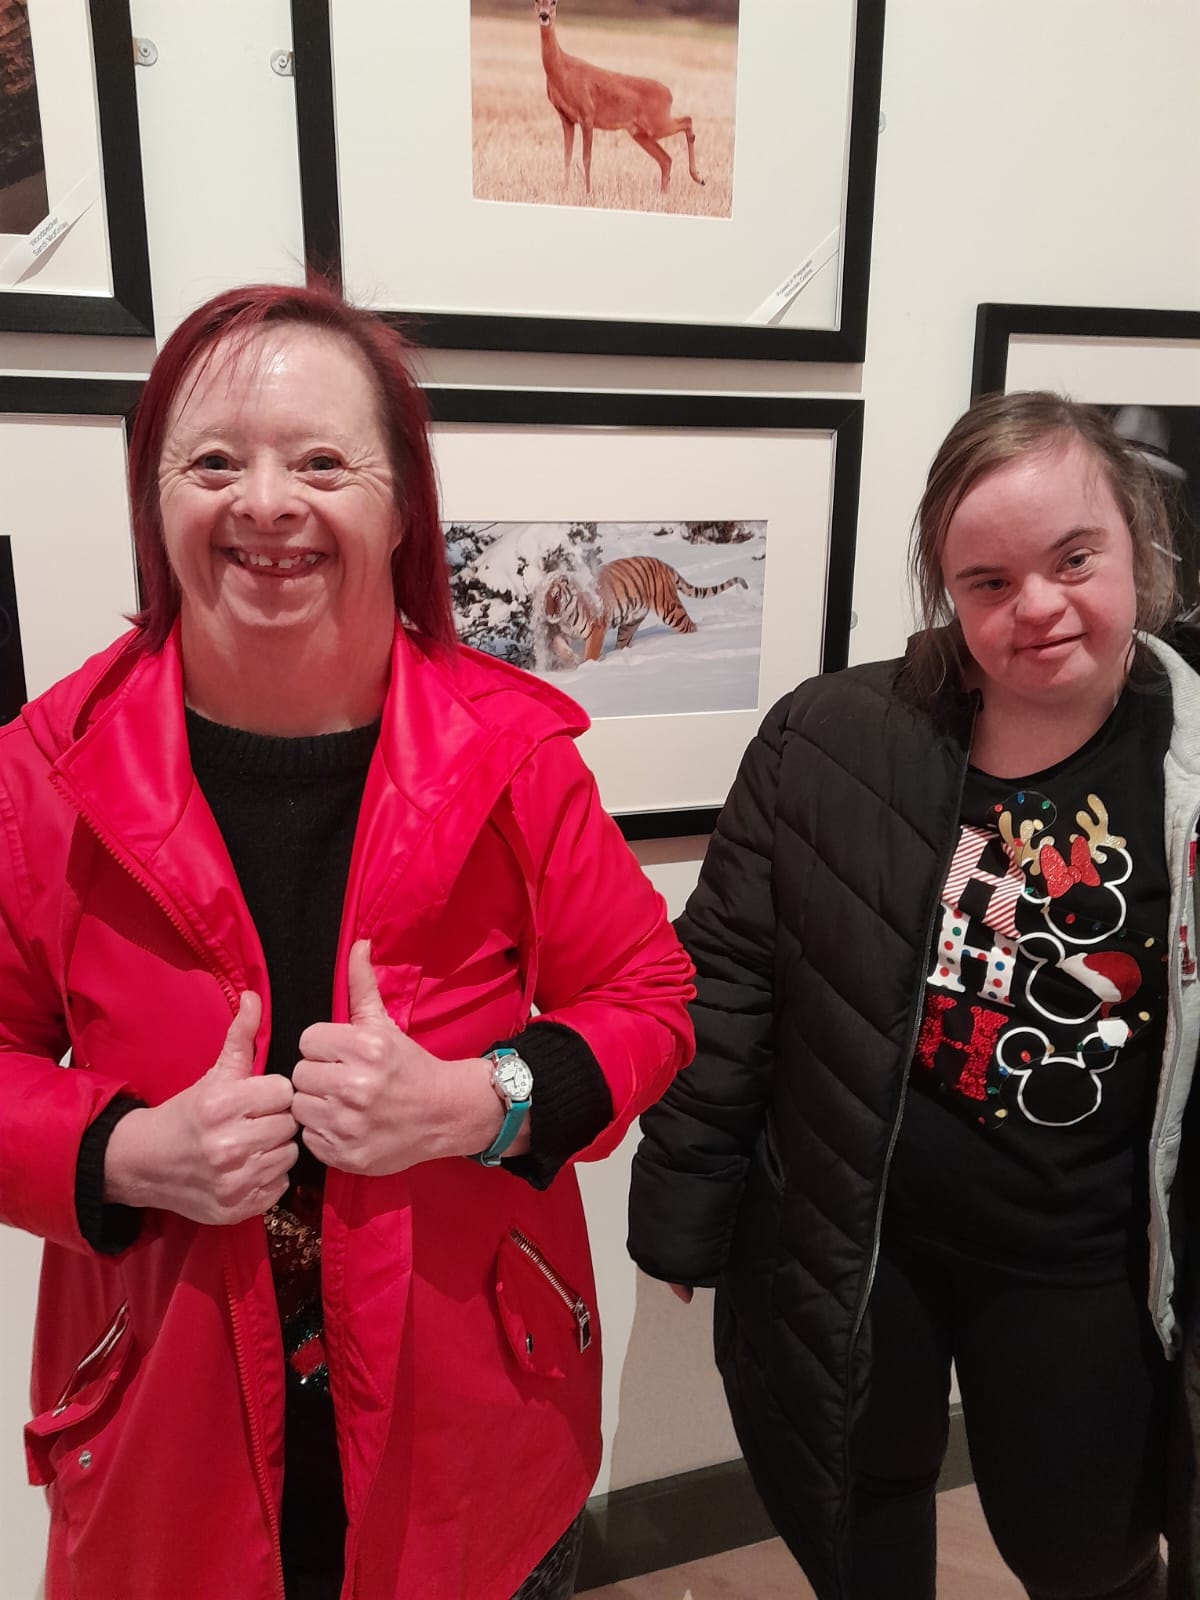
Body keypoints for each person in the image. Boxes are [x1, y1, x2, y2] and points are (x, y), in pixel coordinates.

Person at [0, 281, 695, 1600]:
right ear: (156, 499)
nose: (267, 502)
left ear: (401, 506)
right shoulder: (42, 774)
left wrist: (481, 1101)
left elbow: (647, 996)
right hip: (161, 1450)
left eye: (322, 462)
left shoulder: (512, 757)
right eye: (215, 463)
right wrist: (124, 1151)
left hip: (475, 1439)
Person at [628, 391, 1200, 1600]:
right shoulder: (830, 737)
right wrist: (684, 1196)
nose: (1035, 606)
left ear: (1138, 545)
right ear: (946, 587)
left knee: (1083, 1548)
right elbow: (727, 971)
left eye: (1073, 559)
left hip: (1079, 1258)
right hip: (858, 1230)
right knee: (857, 1513)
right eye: (988, 580)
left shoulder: (1187, 762)